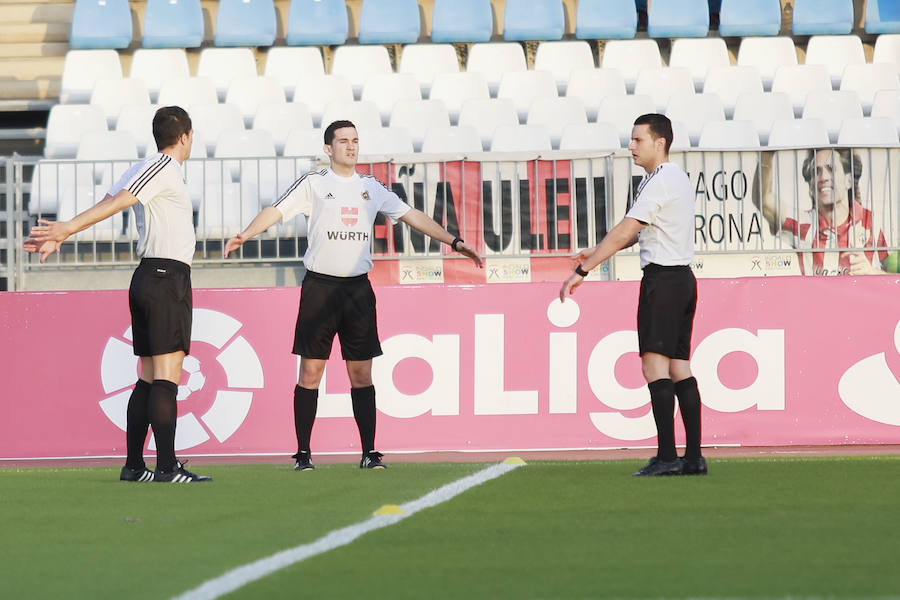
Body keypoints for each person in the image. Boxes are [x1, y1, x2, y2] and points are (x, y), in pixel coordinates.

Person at [224, 120, 483, 470]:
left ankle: (369, 452)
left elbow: (412, 216)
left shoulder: (371, 187)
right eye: (343, 141)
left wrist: (454, 241)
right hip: (320, 288)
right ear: (328, 149)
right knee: (310, 372)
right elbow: (276, 210)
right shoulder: (314, 184)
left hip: (357, 291)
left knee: (361, 374)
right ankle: (303, 453)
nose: (351, 146)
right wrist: (245, 234)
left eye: (355, 141)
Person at [24, 106, 211, 483]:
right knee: (166, 374)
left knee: (146, 375)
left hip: (149, 276)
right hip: (165, 276)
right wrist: (66, 229)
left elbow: (110, 199)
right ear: (186, 136)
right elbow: (118, 202)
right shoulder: (163, 168)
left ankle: (133, 465)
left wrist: (69, 229)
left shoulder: (143, 166)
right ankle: (167, 467)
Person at [559, 113, 705, 477]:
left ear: (660, 142)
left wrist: (584, 269)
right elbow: (647, 231)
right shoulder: (675, 178)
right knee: (678, 367)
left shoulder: (660, 179)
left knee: (654, 366)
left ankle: (668, 456)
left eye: (638, 140)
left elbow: (627, 230)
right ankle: (692, 458)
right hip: (682, 279)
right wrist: (594, 250)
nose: (631, 146)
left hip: (663, 281)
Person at [755, 148, 888, 276]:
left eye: (831, 169)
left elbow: (895, 278)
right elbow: (764, 200)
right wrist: (767, 152)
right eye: (816, 171)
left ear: (849, 181)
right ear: (811, 186)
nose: (823, 177)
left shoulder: (872, 222)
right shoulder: (803, 225)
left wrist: (873, 273)